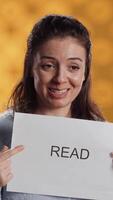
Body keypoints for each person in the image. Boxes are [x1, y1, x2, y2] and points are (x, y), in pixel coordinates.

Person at [0, 14, 112, 200]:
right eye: (48, 65)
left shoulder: (105, 142)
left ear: (85, 73)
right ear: (30, 69)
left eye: (73, 67)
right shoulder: (2, 130)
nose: (60, 79)